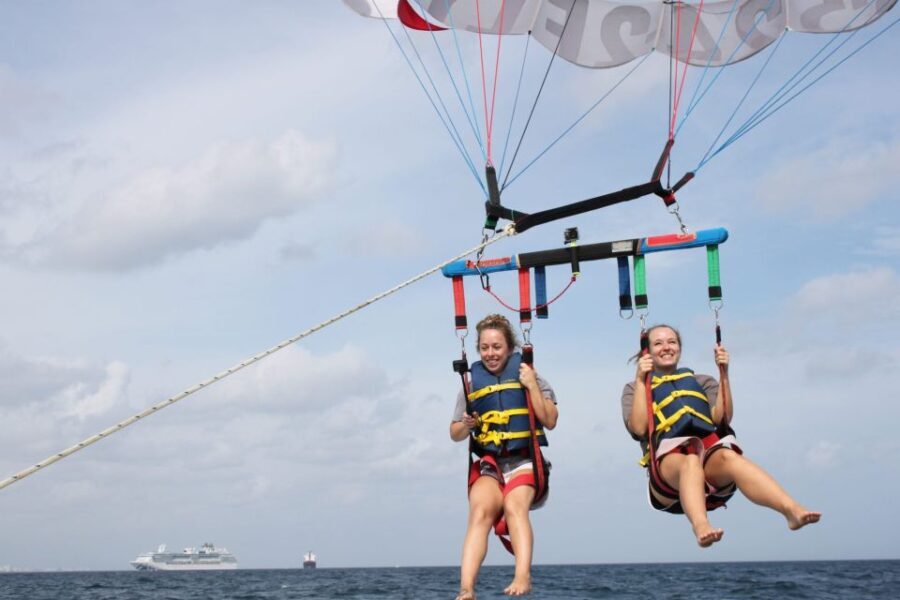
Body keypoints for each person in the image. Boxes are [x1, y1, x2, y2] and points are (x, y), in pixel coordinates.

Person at [621, 324, 820, 548]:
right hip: (668, 473)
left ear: (679, 348)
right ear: (646, 352)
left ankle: (790, 510)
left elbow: (722, 418)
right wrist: (641, 380)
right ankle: (701, 526)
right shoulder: (634, 388)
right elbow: (639, 428)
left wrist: (724, 373)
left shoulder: (702, 381)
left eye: (672, 342)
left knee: (731, 458)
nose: (666, 347)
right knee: (690, 461)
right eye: (658, 343)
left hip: (709, 462)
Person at [450, 314, 559, 599]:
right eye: (485, 348)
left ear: (510, 348)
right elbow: (455, 433)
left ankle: (523, 576)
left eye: (496, 347)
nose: (490, 353)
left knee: (514, 507)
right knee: (480, 513)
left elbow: (550, 420)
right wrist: (467, 425)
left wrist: (532, 385)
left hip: (525, 461)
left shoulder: (530, 375)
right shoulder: (471, 384)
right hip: (491, 465)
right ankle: (466, 589)